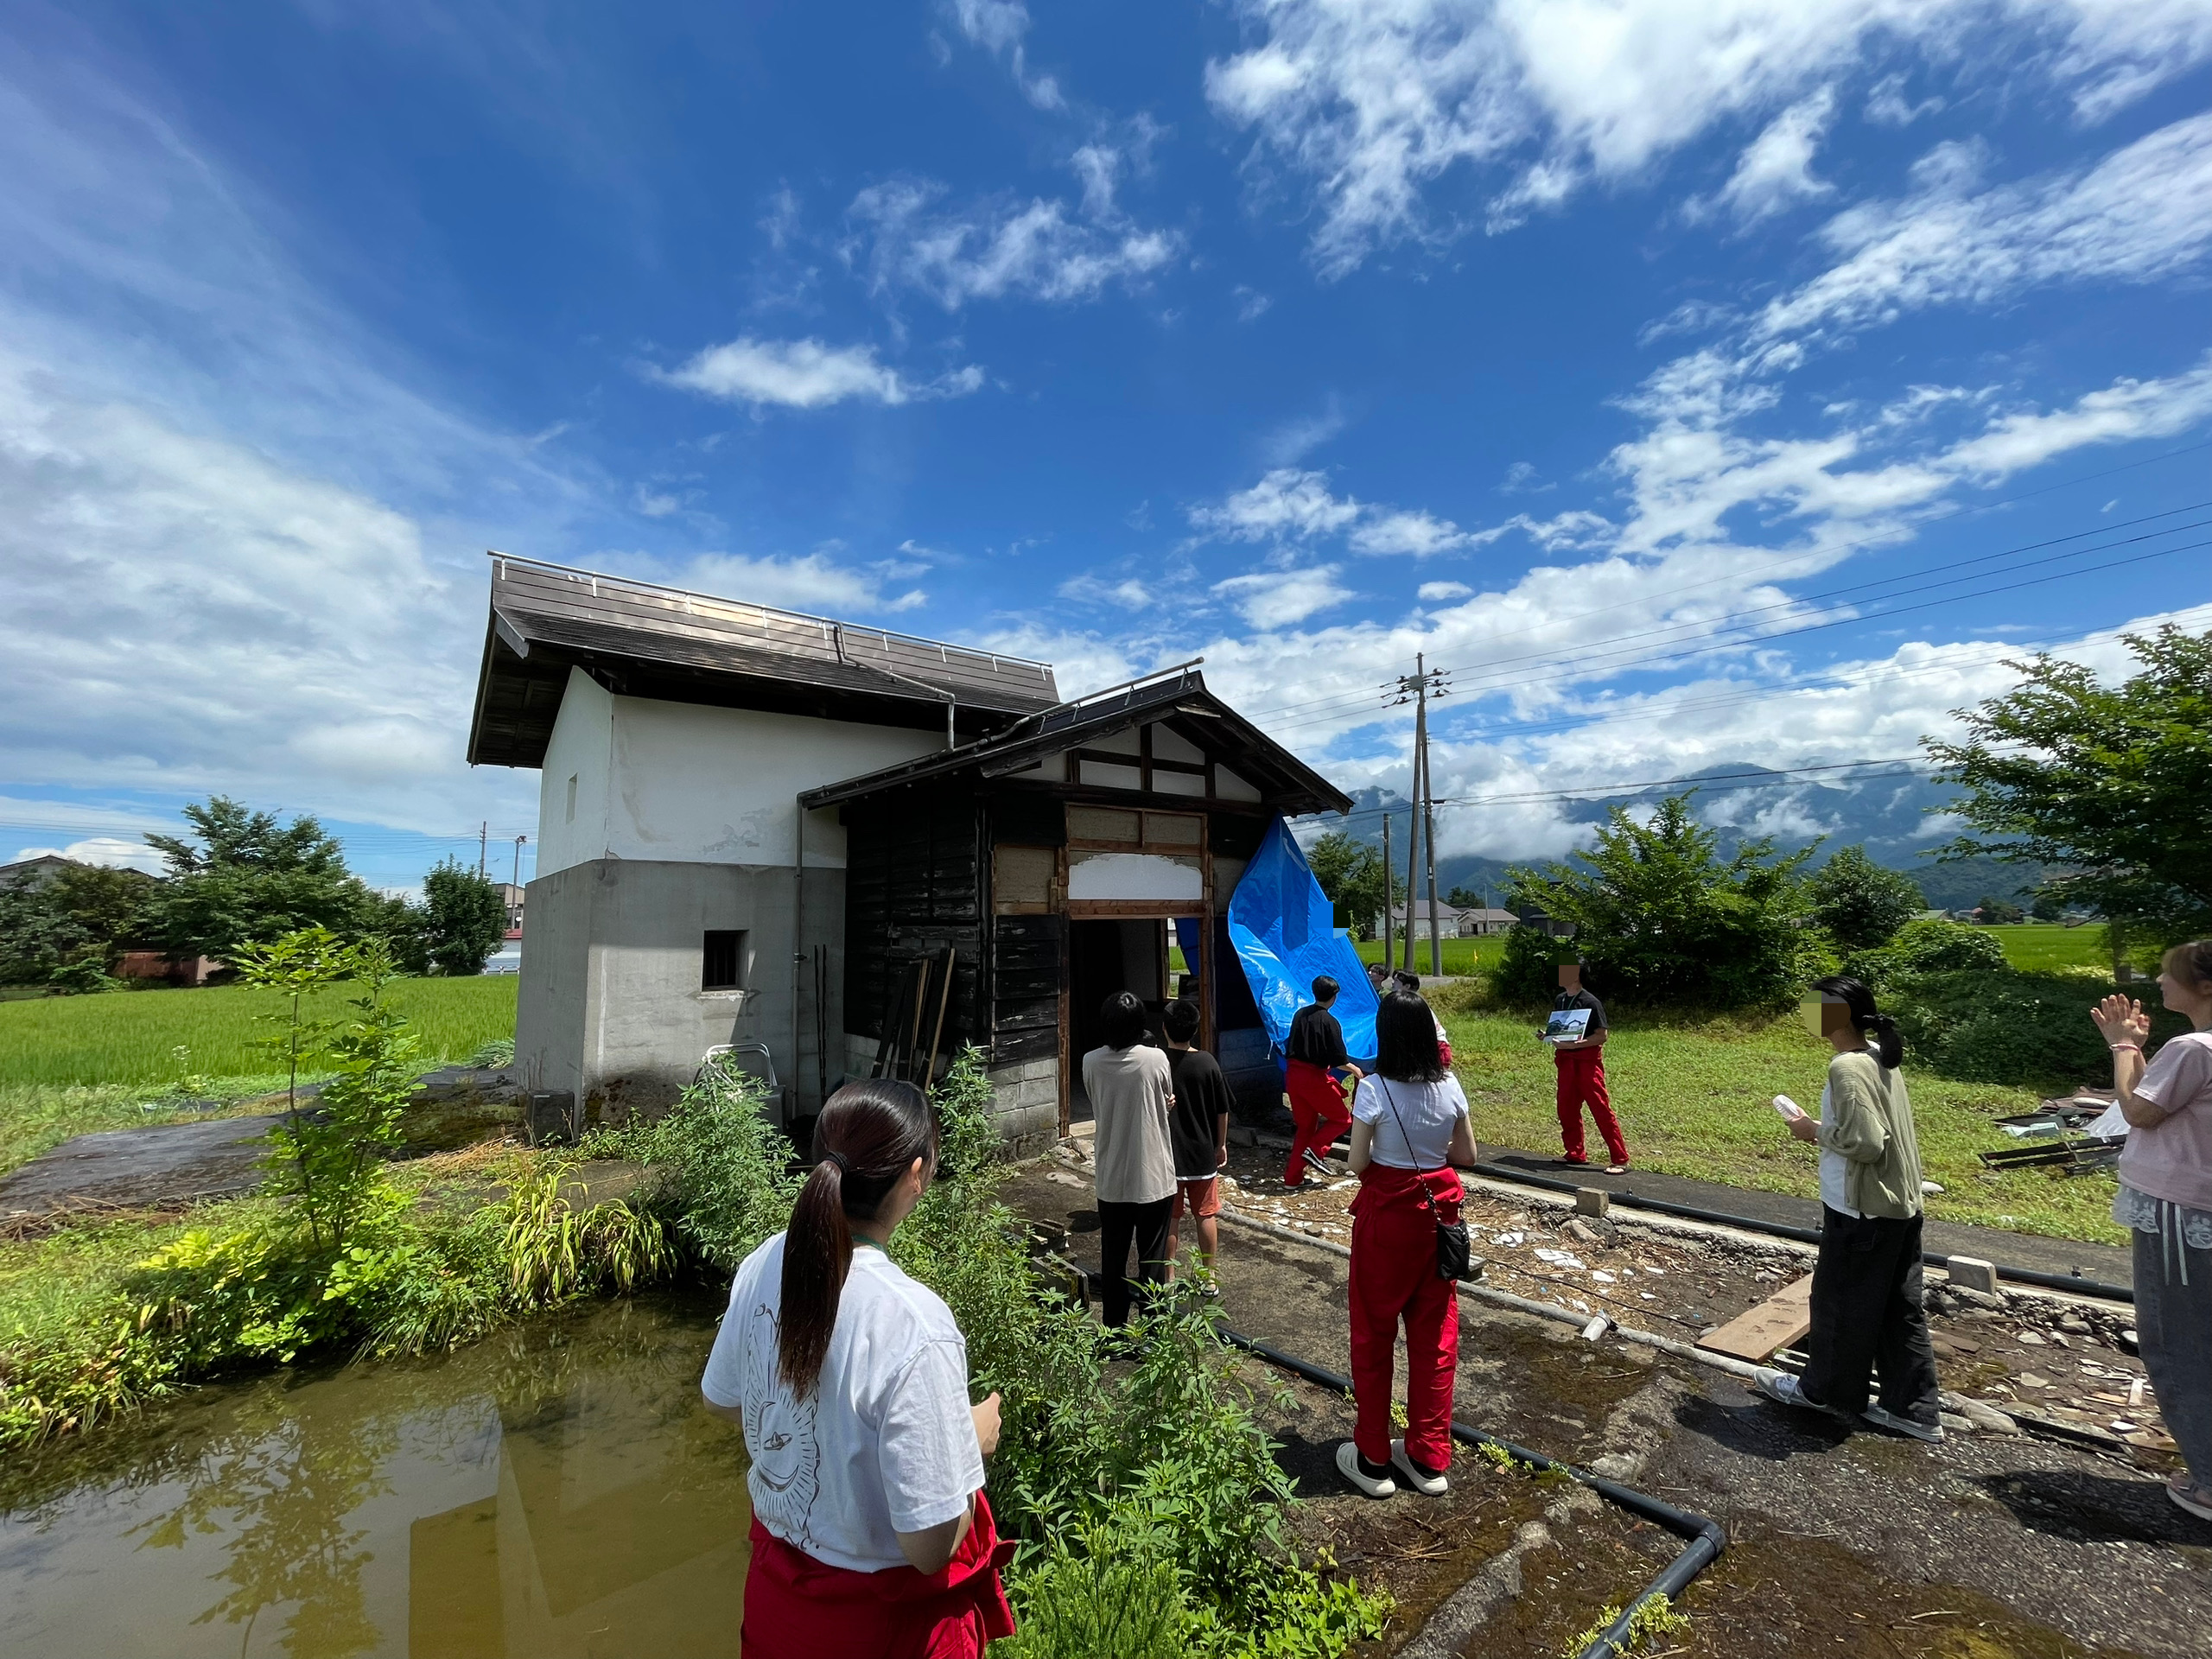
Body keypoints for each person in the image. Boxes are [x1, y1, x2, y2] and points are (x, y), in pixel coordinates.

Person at [700, 1079, 1014, 1658]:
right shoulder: (913, 1322)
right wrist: (968, 1445)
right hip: (881, 1631)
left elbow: (721, 1398)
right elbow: (929, 1548)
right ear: (916, 1175)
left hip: (778, 1609)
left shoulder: (767, 1259)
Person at [1755, 976, 1942, 1441]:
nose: (1808, 1016)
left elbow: (1867, 1142)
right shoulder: (1878, 1055)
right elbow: (1875, 1128)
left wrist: (1813, 1131)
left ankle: (1823, 1393)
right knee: (1898, 1309)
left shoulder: (1846, 1067)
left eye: (1815, 1008)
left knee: (1838, 1303)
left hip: (1861, 1209)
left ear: (1838, 1015)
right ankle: (1914, 1409)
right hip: (1899, 1205)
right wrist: (1825, 1126)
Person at [1337, 988, 1476, 1500]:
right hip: (1438, 1222)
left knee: (1373, 1336)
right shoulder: (1450, 1086)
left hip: (1386, 1223)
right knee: (1435, 1340)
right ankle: (1427, 1457)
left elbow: (1357, 1163)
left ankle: (1373, 1457)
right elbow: (1467, 1155)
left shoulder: (1373, 1089)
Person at [2092, 940, 2212, 1522]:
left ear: (2205, 986)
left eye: (2169, 973)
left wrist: (2120, 1047)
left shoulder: (2192, 1049)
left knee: (2176, 1341)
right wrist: (2137, 1052)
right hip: (2198, 1213)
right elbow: (2153, 1101)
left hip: (2178, 1212)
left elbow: (2137, 1112)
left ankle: (2209, 1481)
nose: (2160, 982)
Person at [1081, 989, 1178, 1326]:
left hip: (1112, 1176)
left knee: (1113, 1258)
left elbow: (1100, 1102)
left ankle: (1113, 1330)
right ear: (1141, 1024)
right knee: (1152, 1259)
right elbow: (1164, 1100)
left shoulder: (1090, 1061)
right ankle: (1152, 1331)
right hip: (1154, 1175)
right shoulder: (1157, 1059)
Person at [1160, 996, 1233, 1284]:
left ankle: (1168, 1278)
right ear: (1195, 1029)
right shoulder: (1207, 1062)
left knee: (1171, 1218)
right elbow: (1222, 1109)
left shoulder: (1158, 1062)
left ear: (1164, 1028)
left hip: (1167, 1155)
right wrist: (1221, 1144)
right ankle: (1209, 1278)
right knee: (1206, 1214)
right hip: (1202, 1153)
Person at [1284, 976, 1362, 1187]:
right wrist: (1356, 1070)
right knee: (1342, 1119)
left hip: (1293, 1076)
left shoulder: (1300, 1014)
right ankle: (1316, 1150)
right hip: (1313, 1079)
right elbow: (1338, 1059)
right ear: (1334, 997)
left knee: (1305, 1128)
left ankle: (1293, 1178)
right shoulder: (1330, 1022)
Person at [1551, 961, 1627, 1173]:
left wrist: (1576, 1045)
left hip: (1587, 1062)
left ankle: (1620, 1158)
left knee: (1600, 1108)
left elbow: (1602, 1036)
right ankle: (1575, 1153)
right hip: (1565, 1061)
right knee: (1566, 1108)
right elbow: (1562, 1029)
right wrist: (1549, 1035)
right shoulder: (1560, 999)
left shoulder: (1591, 1002)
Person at [1391, 969, 1453, 1067]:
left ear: (1407, 986)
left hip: (1436, 1049)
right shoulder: (1410, 1001)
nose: (1392, 983)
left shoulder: (1412, 1004)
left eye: (1396, 981)